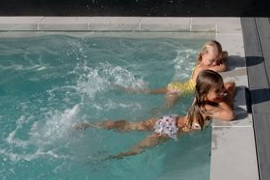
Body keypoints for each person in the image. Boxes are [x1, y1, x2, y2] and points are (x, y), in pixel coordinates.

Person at [76, 70, 236, 158]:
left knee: (128, 125)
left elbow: (231, 84)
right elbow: (230, 115)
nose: (222, 92)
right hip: (169, 131)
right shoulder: (207, 106)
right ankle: (107, 159)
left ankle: (89, 124)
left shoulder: (201, 99)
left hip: (169, 120)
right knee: (136, 149)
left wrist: (222, 91)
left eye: (221, 88)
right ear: (205, 94)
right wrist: (224, 98)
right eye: (218, 90)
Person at [125, 40, 230, 107]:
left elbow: (220, 59)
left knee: (153, 91)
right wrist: (220, 61)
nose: (214, 63)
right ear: (203, 55)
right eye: (212, 60)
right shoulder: (203, 69)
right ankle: (154, 114)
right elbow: (224, 67)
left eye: (216, 60)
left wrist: (218, 58)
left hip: (179, 86)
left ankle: (134, 90)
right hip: (180, 91)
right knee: (164, 108)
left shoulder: (200, 63)